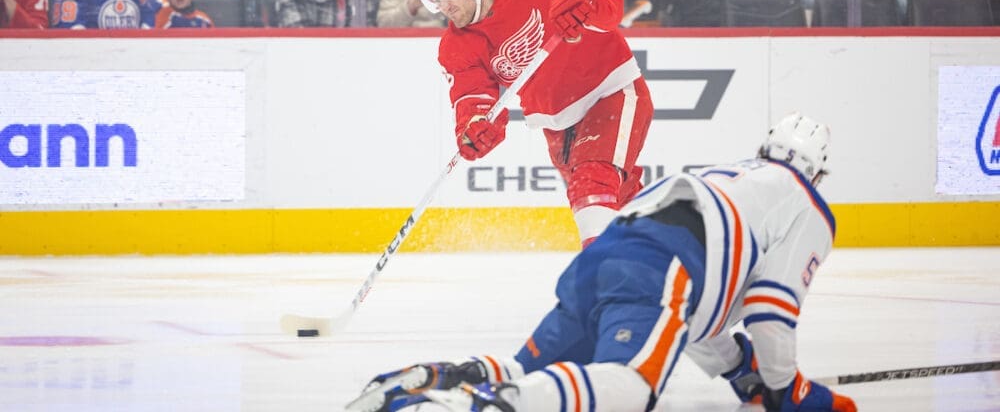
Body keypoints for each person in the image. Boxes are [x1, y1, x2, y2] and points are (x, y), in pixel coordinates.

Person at [346, 113, 858, 412]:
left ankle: (437, 378)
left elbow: (686, 313)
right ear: (818, 173)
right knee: (629, 387)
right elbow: (770, 310)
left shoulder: (724, 177)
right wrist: (787, 389)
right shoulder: (805, 203)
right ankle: (473, 405)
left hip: (609, 256)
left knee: (529, 368)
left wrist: (738, 369)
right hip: (664, 266)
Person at [418, 0, 653, 247]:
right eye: (435, 0)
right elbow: (473, 98)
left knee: (591, 188)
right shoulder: (456, 46)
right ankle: (668, 248)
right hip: (556, 125)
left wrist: (588, 6)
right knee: (621, 200)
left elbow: (611, 2)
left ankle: (599, 270)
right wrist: (475, 128)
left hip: (610, 91)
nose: (445, 7)